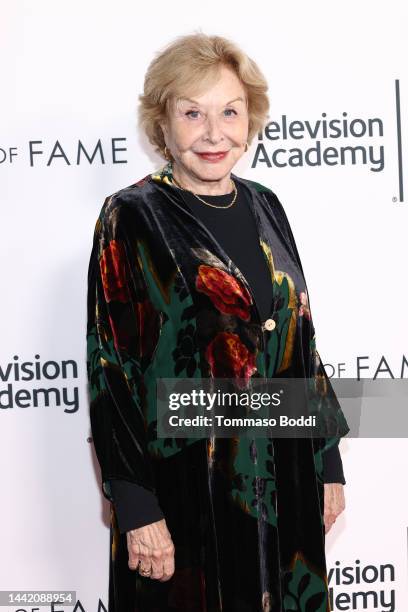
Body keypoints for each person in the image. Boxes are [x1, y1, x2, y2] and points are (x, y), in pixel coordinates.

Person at [86, 32, 349, 612]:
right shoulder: (131, 216)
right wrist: (135, 504)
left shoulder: (266, 205)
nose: (214, 132)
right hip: (185, 488)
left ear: (250, 118)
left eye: (229, 111)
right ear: (163, 123)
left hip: (286, 478)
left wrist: (325, 462)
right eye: (192, 113)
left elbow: (300, 341)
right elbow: (111, 368)